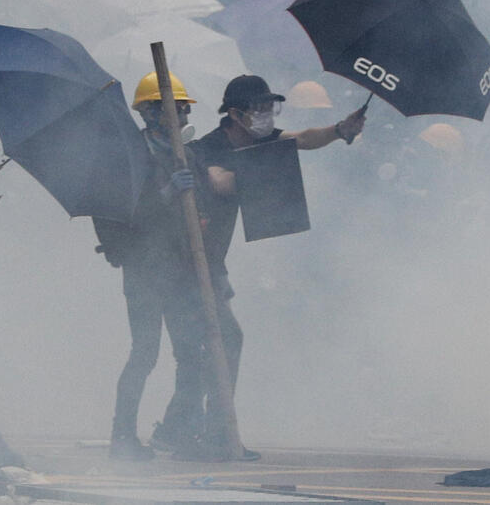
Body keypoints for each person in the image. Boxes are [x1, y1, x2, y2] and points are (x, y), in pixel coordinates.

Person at [181, 74, 365, 456]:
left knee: (208, 347)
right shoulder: (205, 149)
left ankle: (189, 431)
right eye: (259, 108)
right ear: (234, 113)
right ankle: (206, 434)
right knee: (216, 344)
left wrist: (339, 130)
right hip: (182, 264)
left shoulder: (259, 141)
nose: (267, 115)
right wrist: (264, 167)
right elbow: (220, 182)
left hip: (212, 264)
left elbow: (301, 140)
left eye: (270, 108)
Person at [93, 71, 219, 461]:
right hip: (146, 269)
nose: (181, 115)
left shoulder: (189, 155)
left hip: (182, 269)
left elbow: (203, 205)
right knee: (145, 353)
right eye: (174, 107)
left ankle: (181, 432)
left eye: (183, 108)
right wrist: (166, 193)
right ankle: (122, 436)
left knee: (191, 355)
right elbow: (126, 212)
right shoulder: (131, 156)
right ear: (150, 112)